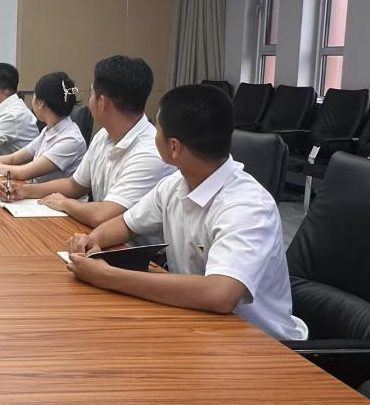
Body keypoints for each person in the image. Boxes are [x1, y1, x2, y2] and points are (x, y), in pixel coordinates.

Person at [65, 84, 308, 341]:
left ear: (174, 147)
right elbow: (126, 224)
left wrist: (109, 277)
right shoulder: (175, 184)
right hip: (197, 323)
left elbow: (220, 294)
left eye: (157, 128)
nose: (153, 134)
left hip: (259, 344)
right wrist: (93, 240)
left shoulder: (248, 206)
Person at [0, 56, 174, 228]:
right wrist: (25, 191)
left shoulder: (149, 152)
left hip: (132, 246)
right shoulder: (104, 135)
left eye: (91, 94)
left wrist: (65, 203)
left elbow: (103, 215)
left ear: (102, 102)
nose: (88, 101)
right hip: (95, 234)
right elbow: (75, 185)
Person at [0, 72, 86, 183]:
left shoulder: (71, 139)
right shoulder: (49, 130)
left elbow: (23, 173)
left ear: (40, 103)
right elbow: (14, 158)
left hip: (51, 197)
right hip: (35, 192)